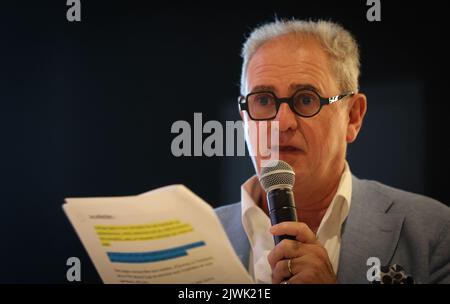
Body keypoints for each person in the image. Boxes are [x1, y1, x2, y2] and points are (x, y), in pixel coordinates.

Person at [215, 19, 450, 284]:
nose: (282, 123)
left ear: (353, 117)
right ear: (244, 118)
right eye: (264, 100)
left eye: (306, 99)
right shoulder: (193, 239)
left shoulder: (435, 233)